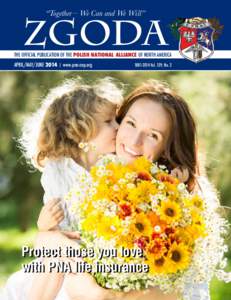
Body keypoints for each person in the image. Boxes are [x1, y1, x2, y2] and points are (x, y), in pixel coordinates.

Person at [33, 80, 214, 300]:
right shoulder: (96, 173)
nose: (134, 141)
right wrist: (47, 235)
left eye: (153, 135)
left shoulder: (176, 204)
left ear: (168, 149)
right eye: (129, 123)